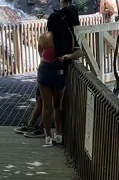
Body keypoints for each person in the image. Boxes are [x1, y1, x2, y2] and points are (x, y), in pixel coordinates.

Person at [37, 11, 84, 145]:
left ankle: (47, 136)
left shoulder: (44, 37)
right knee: (58, 105)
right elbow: (79, 52)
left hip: (45, 71)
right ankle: (58, 134)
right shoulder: (68, 36)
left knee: (46, 106)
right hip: (60, 71)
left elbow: (40, 52)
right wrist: (67, 56)